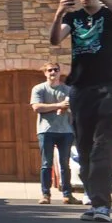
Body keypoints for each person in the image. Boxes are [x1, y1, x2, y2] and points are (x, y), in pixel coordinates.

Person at [50, 0, 112, 222]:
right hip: (80, 89)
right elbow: (55, 39)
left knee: (103, 146)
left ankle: (103, 205)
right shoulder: (74, 18)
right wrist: (58, 13)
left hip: (107, 86)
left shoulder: (109, 16)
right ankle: (94, 200)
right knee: (84, 148)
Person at [32, 62, 79, 205]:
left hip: (66, 131)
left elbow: (76, 108)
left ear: (59, 72)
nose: (53, 72)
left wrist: (70, 107)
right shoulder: (39, 89)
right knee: (46, 164)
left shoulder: (68, 90)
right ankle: (45, 195)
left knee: (65, 164)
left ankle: (67, 195)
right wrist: (58, 106)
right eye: (50, 70)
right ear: (45, 73)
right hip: (46, 131)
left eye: (56, 70)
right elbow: (37, 107)